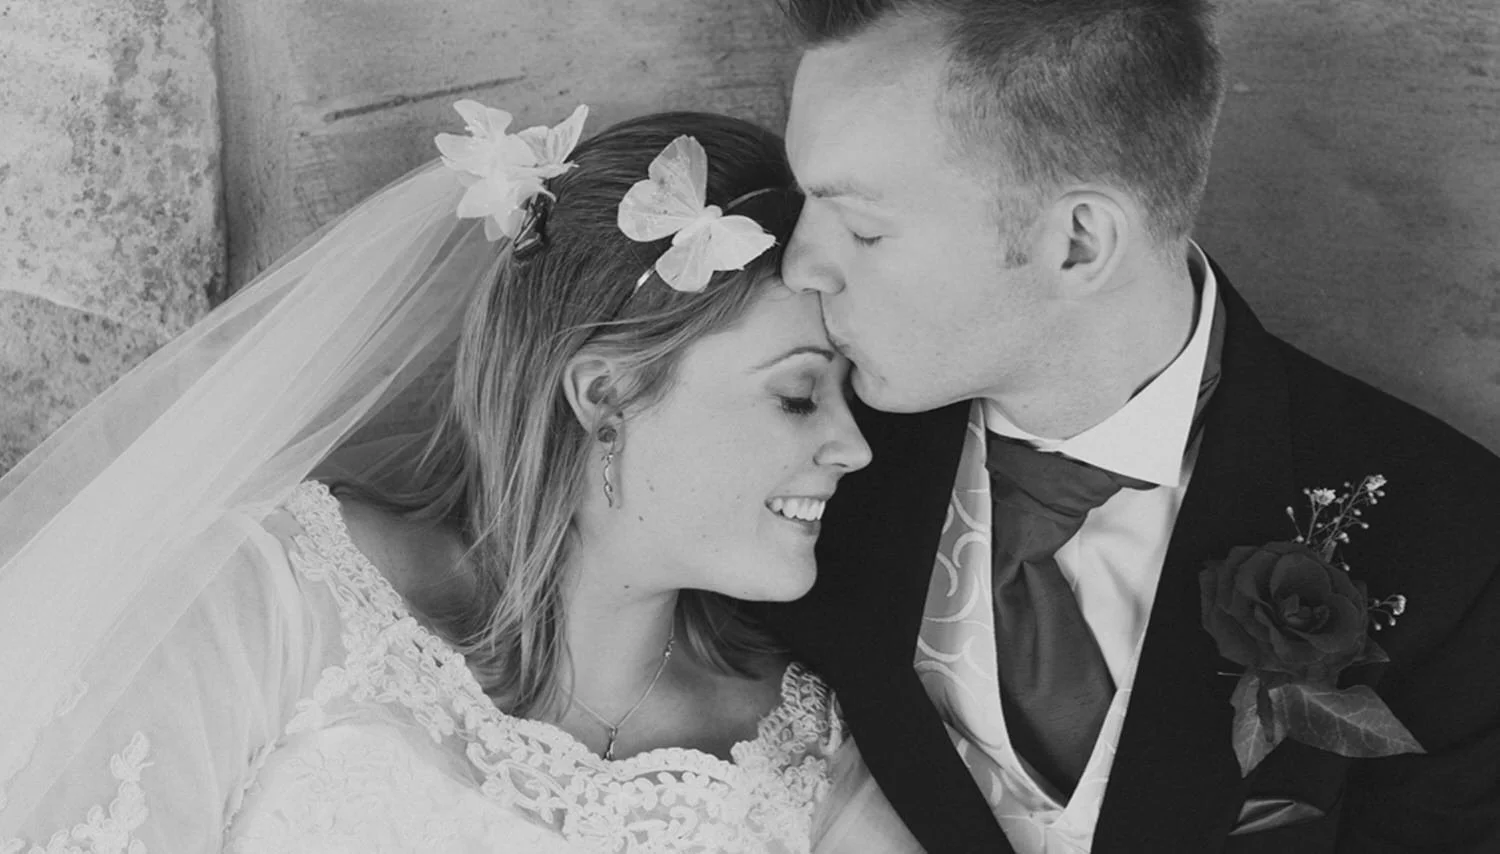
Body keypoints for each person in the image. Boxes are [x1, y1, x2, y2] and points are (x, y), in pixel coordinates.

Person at [0, 106, 922, 852]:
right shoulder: (274, 599)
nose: (855, 446)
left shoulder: (806, 758)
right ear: (605, 394)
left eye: (852, 396)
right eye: (798, 395)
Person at [756, 1, 1500, 852]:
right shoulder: (786, 468)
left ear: (1078, 243)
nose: (801, 265)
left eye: (861, 228)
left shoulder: (1457, 544)